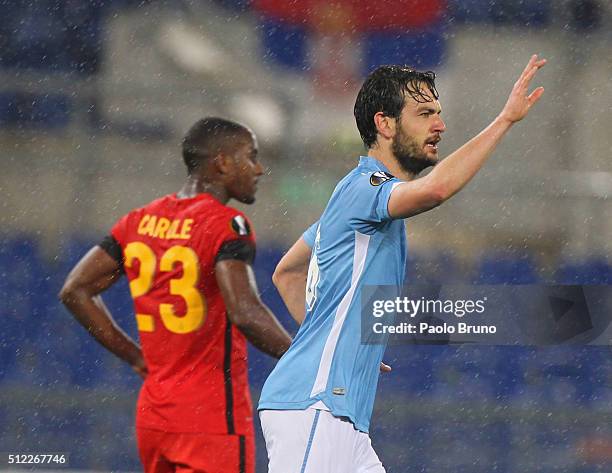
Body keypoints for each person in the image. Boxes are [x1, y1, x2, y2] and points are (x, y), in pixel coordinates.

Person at [258, 55, 547, 472]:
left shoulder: (353, 201)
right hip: (314, 406)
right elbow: (436, 190)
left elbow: (285, 272)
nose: (440, 126)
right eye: (425, 113)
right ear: (385, 124)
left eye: (439, 114)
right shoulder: (364, 187)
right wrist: (503, 120)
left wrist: (337, 340)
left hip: (344, 418)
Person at [60, 117, 292, 473]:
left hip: (155, 416)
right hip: (211, 420)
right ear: (222, 162)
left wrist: (136, 357)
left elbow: (75, 290)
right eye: (251, 156)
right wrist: (303, 357)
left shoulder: (137, 221)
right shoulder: (226, 224)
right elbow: (244, 312)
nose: (259, 169)